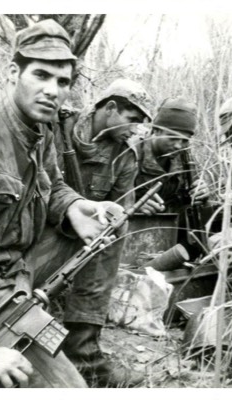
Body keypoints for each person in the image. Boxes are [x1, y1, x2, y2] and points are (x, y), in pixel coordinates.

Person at [0, 19, 125, 388]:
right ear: (13, 73)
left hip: (16, 267)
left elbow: (52, 184)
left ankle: (82, 346)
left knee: (112, 219)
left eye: (62, 81)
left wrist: (74, 206)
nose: (52, 90)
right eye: (40, 75)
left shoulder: (39, 129)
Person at [49, 78, 154, 387]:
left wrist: (110, 219)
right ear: (110, 108)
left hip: (84, 239)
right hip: (39, 229)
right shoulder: (57, 128)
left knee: (115, 230)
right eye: (132, 118)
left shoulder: (124, 156)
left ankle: (84, 356)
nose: (135, 129)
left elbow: (122, 209)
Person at [132, 97, 210, 256]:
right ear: (156, 130)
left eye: (184, 140)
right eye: (172, 138)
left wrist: (202, 193)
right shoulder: (132, 153)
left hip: (170, 235)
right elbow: (105, 198)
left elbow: (192, 201)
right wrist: (133, 204)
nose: (178, 145)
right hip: (132, 233)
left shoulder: (185, 159)